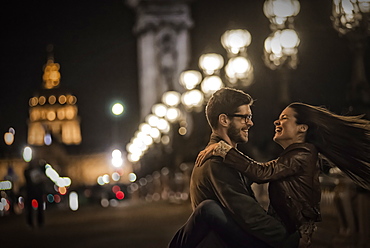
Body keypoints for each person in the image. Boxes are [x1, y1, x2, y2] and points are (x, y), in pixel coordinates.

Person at [194, 102, 370, 246]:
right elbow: (255, 171)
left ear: (302, 128)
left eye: (284, 118)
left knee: (208, 211)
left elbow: (262, 173)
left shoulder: (303, 154)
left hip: (290, 236)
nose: (276, 122)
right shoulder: (295, 154)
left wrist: (223, 149)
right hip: (284, 232)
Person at [169, 87, 300, 248]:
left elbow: (260, 172)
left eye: (250, 117)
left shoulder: (225, 156)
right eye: (244, 117)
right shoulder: (217, 162)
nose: (250, 123)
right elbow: (249, 214)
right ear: (224, 120)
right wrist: (291, 241)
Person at [24, 159, 48, 228]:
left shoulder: (29, 171)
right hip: (33, 190)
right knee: (31, 208)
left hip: (34, 191)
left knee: (37, 208)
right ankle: (33, 223)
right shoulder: (30, 171)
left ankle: (37, 222)